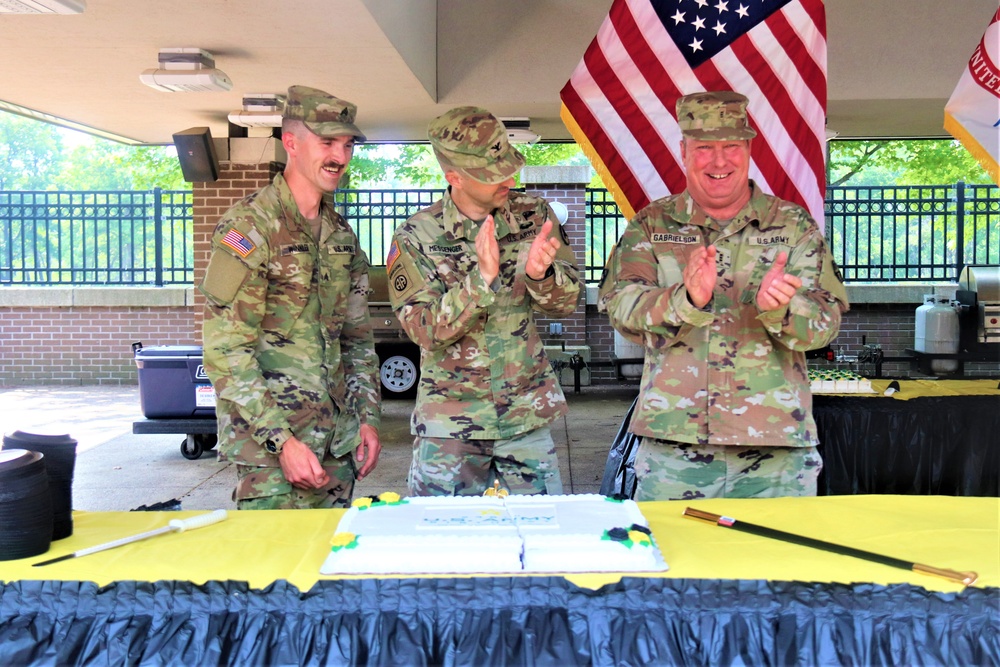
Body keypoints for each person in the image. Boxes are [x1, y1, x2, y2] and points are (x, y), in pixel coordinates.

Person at [599, 90, 849, 501]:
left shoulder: (792, 224)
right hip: (674, 447)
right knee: (673, 563)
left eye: (731, 146)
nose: (719, 161)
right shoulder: (651, 223)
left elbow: (825, 324)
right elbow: (620, 307)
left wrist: (783, 309)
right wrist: (685, 299)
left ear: (749, 149)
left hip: (775, 448)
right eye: (704, 148)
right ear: (683, 151)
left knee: (777, 565)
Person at [199, 85, 381, 510]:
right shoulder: (249, 228)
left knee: (328, 566)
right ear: (292, 143)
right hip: (270, 451)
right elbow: (226, 350)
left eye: (348, 144)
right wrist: (282, 441)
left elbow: (355, 342)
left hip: (337, 445)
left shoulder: (341, 236)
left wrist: (367, 420)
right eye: (327, 142)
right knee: (270, 571)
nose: (340, 156)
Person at [386, 106, 581, 496]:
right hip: (450, 427)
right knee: (447, 548)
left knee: (542, 543)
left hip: (525, 419)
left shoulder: (534, 216)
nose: (508, 178)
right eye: (492, 173)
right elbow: (423, 330)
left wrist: (541, 276)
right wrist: (481, 280)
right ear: (453, 176)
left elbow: (567, 303)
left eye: (508, 165)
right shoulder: (415, 237)